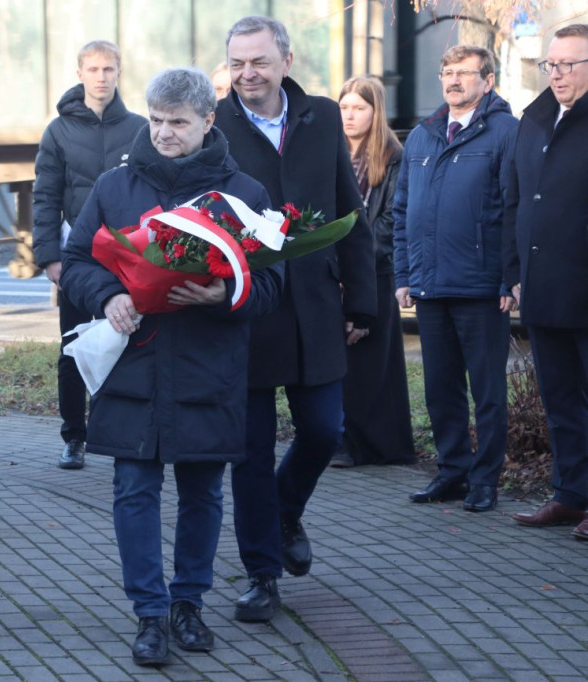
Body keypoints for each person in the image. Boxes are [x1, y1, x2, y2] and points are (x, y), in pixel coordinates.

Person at [62, 67, 284, 667]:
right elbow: (78, 259)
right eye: (156, 120)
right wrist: (107, 294)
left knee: (203, 491)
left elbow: (271, 287)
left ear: (208, 121)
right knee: (133, 488)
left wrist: (224, 296)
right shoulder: (115, 187)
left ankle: (189, 605)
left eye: (178, 123)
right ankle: (150, 614)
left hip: (208, 368)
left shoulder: (245, 195)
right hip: (134, 363)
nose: (163, 133)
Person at [215, 15, 376, 622]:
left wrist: (362, 299)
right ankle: (261, 575)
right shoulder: (216, 126)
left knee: (324, 430)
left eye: (258, 62)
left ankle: (286, 509)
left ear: (285, 60)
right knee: (249, 451)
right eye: (236, 64)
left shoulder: (323, 117)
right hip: (247, 311)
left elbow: (348, 208)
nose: (247, 75)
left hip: (315, 307)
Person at [394, 45, 517, 513]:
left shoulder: (505, 132)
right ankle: (453, 473)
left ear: (487, 80)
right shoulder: (424, 135)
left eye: (464, 73)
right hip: (429, 286)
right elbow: (403, 210)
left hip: (482, 288)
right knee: (440, 389)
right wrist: (405, 273)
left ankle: (486, 480)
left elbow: (513, 209)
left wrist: (509, 279)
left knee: (487, 392)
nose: (452, 80)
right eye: (447, 72)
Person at [33, 40, 145, 471]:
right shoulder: (58, 131)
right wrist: (50, 258)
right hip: (78, 260)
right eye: (94, 69)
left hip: (127, 258)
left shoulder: (139, 128)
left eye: (109, 69)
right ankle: (74, 437)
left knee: (124, 341)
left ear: (119, 72)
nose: (101, 77)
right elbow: (44, 197)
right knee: (73, 348)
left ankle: (114, 431)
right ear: (80, 72)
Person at [504, 24, 588, 536]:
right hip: (542, 288)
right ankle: (572, 495)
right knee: (560, 400)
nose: (556, 74)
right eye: (551, 65)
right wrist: (514, 273)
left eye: (568, 65)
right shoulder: (534, 121)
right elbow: (515, 201)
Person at [330, 76, 414, 468]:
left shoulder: (393, 155)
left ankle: (370, 445)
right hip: (336, 271)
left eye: (358, 108)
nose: (349, 115)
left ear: (375, 111)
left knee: (370, 364)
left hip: (375, 271)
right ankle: (343, 437)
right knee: (341, 360)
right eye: (344, 106)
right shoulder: (333, 153)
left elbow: (391, 220)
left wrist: (357, 257)